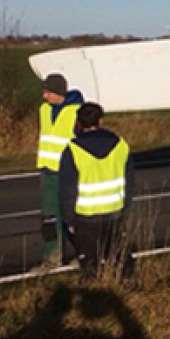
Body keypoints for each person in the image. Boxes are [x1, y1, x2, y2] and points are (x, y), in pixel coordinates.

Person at [58, 102, 135, 280]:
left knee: (90, 267)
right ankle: (127, 288)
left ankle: (94, 291)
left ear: (78, 123)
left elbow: (67, 190)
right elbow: (130, 182)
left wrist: (69, 219)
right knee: (120, 260)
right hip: (114, 213)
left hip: (85, 217)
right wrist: (125, 210)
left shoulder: (73, 150)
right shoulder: (120, 145)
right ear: (100, 121)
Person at [37, 73, 84, 267]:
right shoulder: (44, 110)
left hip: (69, 173)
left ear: (58, 92)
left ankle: (84, 254)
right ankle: (52, 257)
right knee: (49, 217)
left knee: (72, 216)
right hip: (48, 171)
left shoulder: (77, 112)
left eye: (48, 92)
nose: (44, 96)